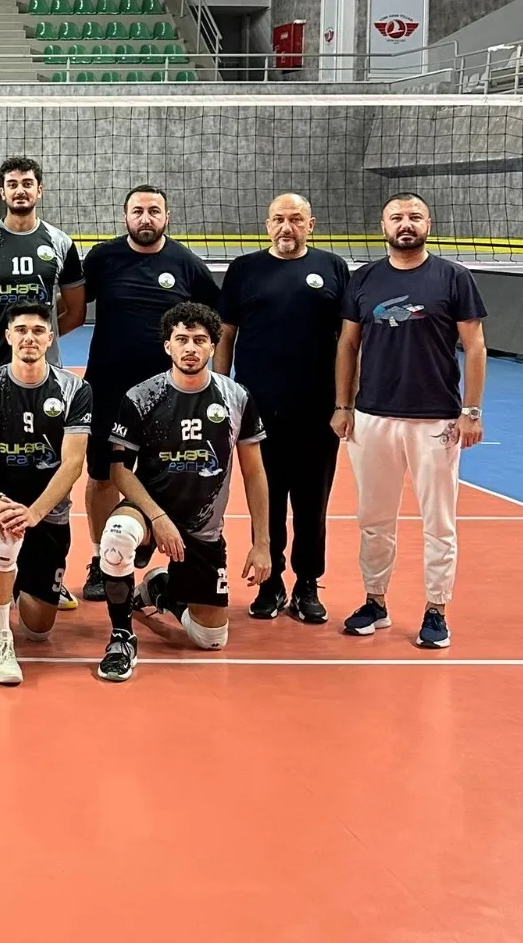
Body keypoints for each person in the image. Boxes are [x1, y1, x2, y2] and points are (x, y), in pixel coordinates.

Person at [334, 193, 487, 650]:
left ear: (427, 224)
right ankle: (375, 602)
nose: (406, 224)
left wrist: (471, 411)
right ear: (383, 225)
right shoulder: (364, 279)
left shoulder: (454, 277)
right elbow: (347, 344)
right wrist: (343, 406)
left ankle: (436, 609)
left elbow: (475, 346)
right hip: (372, 417)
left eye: (414, 216)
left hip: (435, 419)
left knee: (438, 522)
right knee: (373, 519)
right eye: (397, 217)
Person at [94, 302, 271, 682]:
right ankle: (121, 637)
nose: (190, 348)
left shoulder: (236, 397)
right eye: (182, 339)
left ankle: (161, 589)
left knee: (210, 639)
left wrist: (262, 544)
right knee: (118, 535)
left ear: (213, 346)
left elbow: (255, 473)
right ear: (167, 346)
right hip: (148, 510)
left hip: (202, 527)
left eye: (200, 340)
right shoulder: (142, 396)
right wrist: (158, 518)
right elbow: (119, 471)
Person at [0, 156, 86, 608]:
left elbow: (75, 311)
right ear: (1, 192)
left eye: (28, 183)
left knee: (50, 462)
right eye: (12, 183)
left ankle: (47, 569)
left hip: (46, 379)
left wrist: (36, 343)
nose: (20, 190)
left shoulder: (60, 243)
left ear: (39, 190)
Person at [79, 185, 220, 604]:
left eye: (154, 210)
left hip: (168, 397)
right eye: (138, 210)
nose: (146, 218)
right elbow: (70, 303)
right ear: (125, 216)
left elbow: (215, 319)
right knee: (102, 475)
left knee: (170, 473)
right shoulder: (102, 258)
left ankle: (164, 550)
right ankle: (101, 559)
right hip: (108, 390)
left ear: (167, 216)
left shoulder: (186, 264)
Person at [214, 194, 349, 623]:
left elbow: (348, 341)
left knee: (312, 504)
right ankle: (269, 583)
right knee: (267, 504)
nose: (286, 227)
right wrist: (220, 393)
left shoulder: (333, 267)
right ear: (267, 224)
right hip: (258, 412)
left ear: (311, 224)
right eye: (278, 219)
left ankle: (307, 583)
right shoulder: (244, 270)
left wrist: (345, 403)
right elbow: (226, 335)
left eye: (295, 219)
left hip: (317, 411)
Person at [0, 302, 93, 685]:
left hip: (47, 511)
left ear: (50, 338)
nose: (28, 338)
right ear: (8, 337)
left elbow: (73, 464)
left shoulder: (75, 389)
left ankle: (11, 578)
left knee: (38, 630)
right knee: (4, 531)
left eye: (37, 331)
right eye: (21, 330)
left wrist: (33, 513)